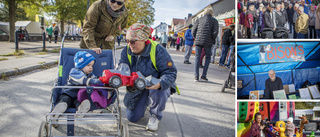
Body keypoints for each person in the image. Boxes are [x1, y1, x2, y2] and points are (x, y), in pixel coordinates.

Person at [119, 23, 177, 131]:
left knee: (161, 90)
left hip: (155, 84)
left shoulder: (158, 50)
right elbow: (123, 68)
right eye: (127, 41)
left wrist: (160, 84)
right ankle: (145, 101)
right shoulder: (126, 50)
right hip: (138, 86)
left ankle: (155, 115)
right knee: (132, 117)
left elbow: (170, 72)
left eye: (133, 41)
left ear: (144, 40)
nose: (129, 44)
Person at [51, 51, 101, 126]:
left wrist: (99, 80)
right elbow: (80, 79)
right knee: (65, 100)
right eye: (88, 65)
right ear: (81, 65)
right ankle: (57, 112)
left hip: (78, 97)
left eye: (92, 66)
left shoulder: (90, 75)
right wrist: (90, 81)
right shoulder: (75, 71)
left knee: (79, 102)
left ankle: (80, 110)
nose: (91, 67)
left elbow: (95, 80)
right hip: (68, 93)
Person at [192, 7, 219, 82]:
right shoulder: (214, 21)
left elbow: (193, 31)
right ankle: (204, 75)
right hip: (208, 41)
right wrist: (212, 39)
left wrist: (196, 37)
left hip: (198, 41)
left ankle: (196, 76)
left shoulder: (198, 20)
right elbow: (215, 32)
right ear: (211, 13)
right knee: (208, 58)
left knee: (197, 57)